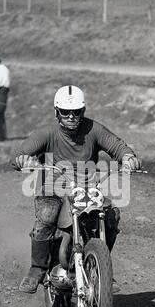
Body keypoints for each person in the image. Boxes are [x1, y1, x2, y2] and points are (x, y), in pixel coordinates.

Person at [11, 85, 142, 294]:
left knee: (110, 216)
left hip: (86, 189)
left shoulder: (93, 129)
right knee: (47, 215)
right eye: (65, 112)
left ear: (83, 111)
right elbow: (21, 152)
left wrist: (128, 157)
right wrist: (23, 158)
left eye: (76, 112)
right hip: (53, 188)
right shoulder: (46, 133)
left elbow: (117, 146)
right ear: (57, 112)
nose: (71, 116)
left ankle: (101, 268)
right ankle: (37, 269)